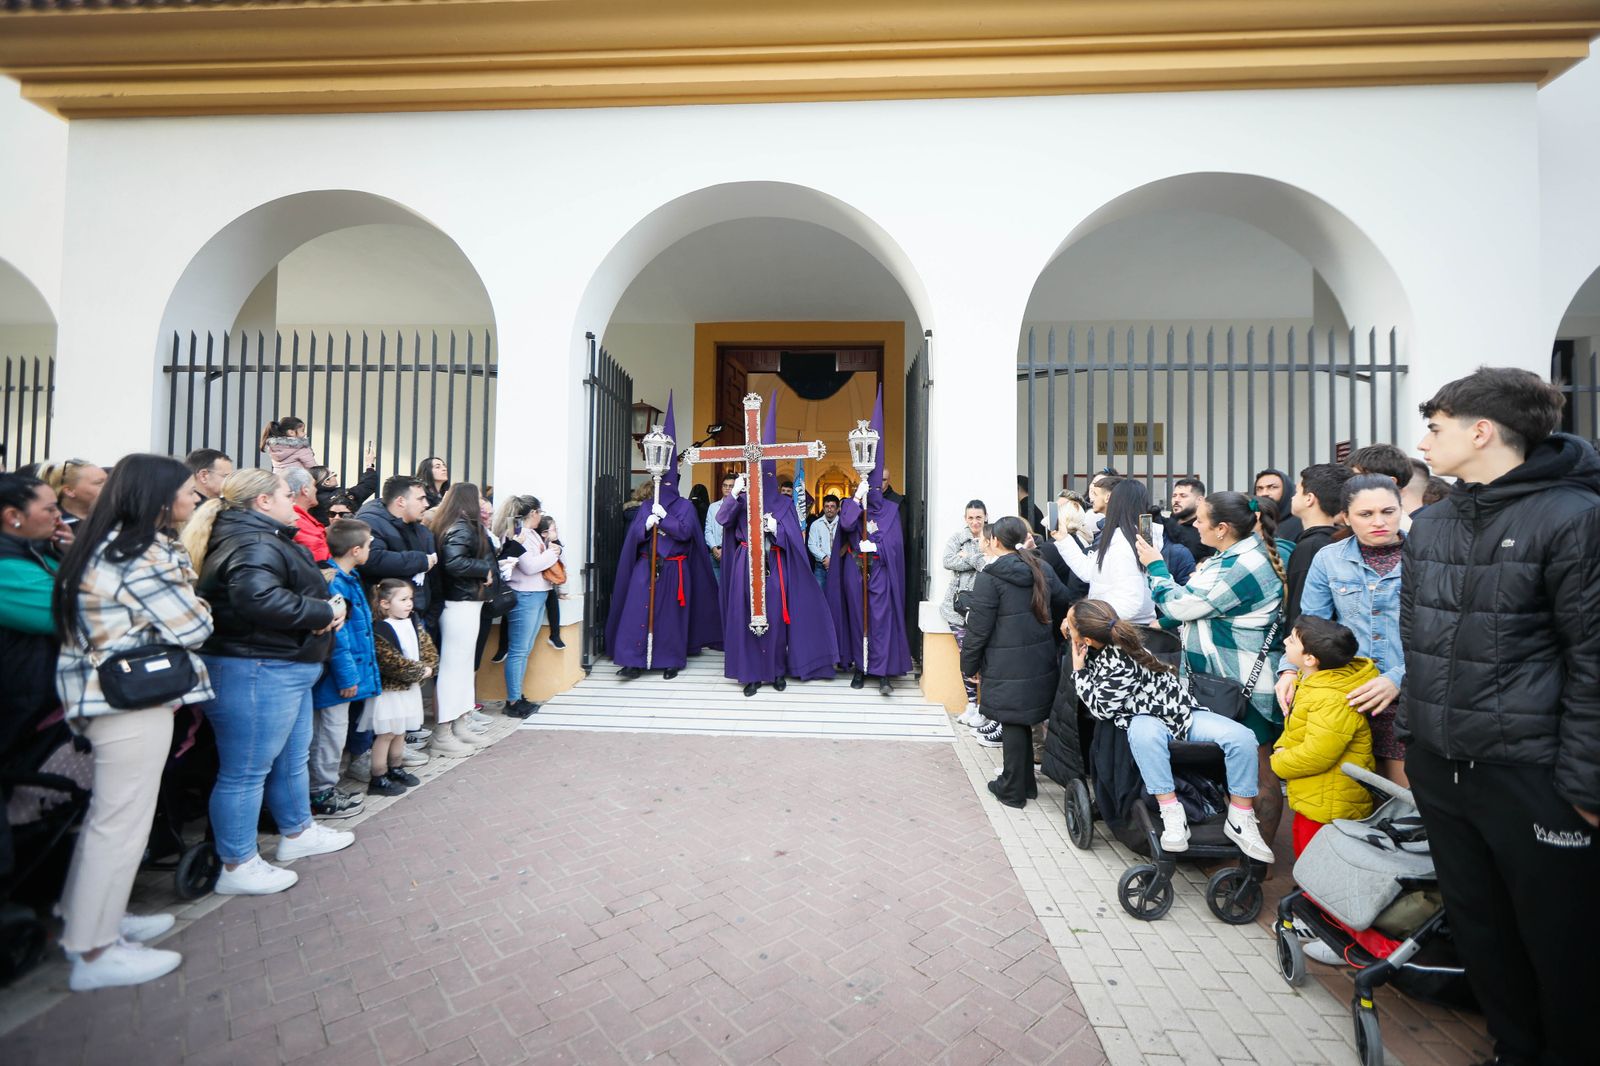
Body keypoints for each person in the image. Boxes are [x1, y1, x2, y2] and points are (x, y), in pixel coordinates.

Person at [1402, 367, 1600, 1065]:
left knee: (1562, 943)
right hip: (1444, 767)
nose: (1423, 442)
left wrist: (1584, 784)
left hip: (1534, 775)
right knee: (1481, 932)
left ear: (1480, 431)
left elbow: (1593, 657)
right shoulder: (1430, 521)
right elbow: (1416, 635)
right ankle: (1512, 1050)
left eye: (1435, 427)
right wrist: (1413, 737)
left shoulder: (1575, 517)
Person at [51, 455, 214, 991]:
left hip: (111, 700)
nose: (195, 500)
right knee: (120, 824)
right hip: (128, 701)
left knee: (111, 819)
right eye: (189, 491)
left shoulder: (114, 545)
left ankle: (96, 920)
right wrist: (197, 601)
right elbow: (193, 624)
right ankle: (95, 953)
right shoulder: (138, 554)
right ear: (159, 499)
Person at [182, 468, 353, 897]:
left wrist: (326, 606)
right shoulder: (252, 539)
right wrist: (320, 613)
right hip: (256, 667)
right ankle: (237, 862)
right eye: (283, 494)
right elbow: (256, 597)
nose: (291, 502)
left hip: (281, 665)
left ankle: (297, 833)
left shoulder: (263, 536)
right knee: (245, 772)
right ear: (262, 501)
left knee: (291, 758)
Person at [1067, 598, 1274, 861]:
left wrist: (1078, 669)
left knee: (1243, 738)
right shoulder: (1122, 642)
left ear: (1086, 637)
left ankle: (1241, 816)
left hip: (1178, 714)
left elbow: (1100, 709)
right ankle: (1171, 810)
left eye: (1070, 623)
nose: (1066, 626)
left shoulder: (1117, 659)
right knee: (1145, 734)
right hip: (1158, 717)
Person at [1137, 490, 1288, 844]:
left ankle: (1255, 863)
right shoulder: (1235, 556)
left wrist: (1156, 567)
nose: (1195, 526)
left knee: (1258, 773)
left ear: (1221, 528)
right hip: (1225, 681)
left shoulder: (1241, 565)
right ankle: (1238, 849)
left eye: (1201, 521)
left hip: (1244, 686)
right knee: (1240, 768)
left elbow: (1179, 605)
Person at [1278, 473, 1409, 785]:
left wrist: (1398, 678)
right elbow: (1312, 624)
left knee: (1406, 806)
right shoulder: (1330, 558)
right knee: (1351, 799)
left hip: (1411, 698)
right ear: (1346, 516)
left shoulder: (1427, 556)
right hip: (1347, 695)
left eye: (1388, 512)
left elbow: (1444, 635)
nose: (1379, 521)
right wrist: (1288, 670)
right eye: (1366, 514)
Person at [721, 395, 838, 696]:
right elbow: (723, 519)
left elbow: (794, 541)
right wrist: (733, 494)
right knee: (748, 619)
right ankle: (750, 674)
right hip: (745, 565)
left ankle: (775, 671)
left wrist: (778, 531)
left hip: (774, 568)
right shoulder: (744, 500)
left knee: (775, 620)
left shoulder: (785, 504)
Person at [606, 396, 722, 685]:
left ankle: (670, 659)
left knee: (670, 617)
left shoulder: (684, 505)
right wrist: (645, 524)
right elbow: (635, 537)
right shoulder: (647, 504)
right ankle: (633, 660)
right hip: (647, 566)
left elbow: (686, 533)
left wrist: (666, 521)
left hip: (675, 569)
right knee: (637, 611)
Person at [960, 516, 1066, 808]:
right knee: (1023, 718)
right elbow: (1063, 602)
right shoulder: (1040, 568)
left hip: (1005, 660)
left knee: (1012, 721)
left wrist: (968, 665)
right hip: (1040, 657)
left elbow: (978, 629)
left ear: (995, 541)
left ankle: (1012, 789)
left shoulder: (991, 577)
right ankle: (1024, 782)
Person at [831, 387, 912, 696]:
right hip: (855, 571)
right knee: (856, 619)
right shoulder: (855, 504)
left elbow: (895, 546)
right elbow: (848, 524)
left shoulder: (892, 509)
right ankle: (859, 667)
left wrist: (876, 547)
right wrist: (855, 497)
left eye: (879, 484)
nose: (877, 488)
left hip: (881, 574)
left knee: (881, 622)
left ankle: (883, 672)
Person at [307, 519, 381, 815]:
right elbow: (340, 637)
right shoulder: (336, 582)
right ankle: (320, 792)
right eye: (369, 545)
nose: (371, 549)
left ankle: (324, 786)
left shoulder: (348, 577)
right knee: (329, 733)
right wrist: (348, 676)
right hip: (337, 679)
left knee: (333, 732)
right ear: (355, 550)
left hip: (345, 674)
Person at [428, 482, 494, 754]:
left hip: (466, 602)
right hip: (460, 602)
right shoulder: (461, 527)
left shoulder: (461, 525)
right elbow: (453, 563)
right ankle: (443, 733)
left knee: (463, 668)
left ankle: (459, 725)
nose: (481, 501)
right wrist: (484, 570)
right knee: (455, 669)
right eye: (476, 497)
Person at [0, 474, 69, 735]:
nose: (58, 515)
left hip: (39, 699)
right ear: (12, 516)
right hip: (21, 708)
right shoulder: (7, 567)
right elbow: (75, 614)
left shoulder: (37, 550)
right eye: (49, 509)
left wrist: (70, 552)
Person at [1052, 479, 1159, 625]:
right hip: (1116, 626)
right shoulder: (1118, 536)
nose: (1091, 498)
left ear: (1113, 500)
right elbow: (1088, 571)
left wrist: (1088, 619)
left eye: (1095, 493)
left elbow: (1130, 602)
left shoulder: (1124, 542)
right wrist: (1063, 539)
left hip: (1123, 630)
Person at [369, 579, 438, 793]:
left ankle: (396, 767)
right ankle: (378, 775)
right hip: (391, 692)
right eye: (403, 599)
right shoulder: (380, 629)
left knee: (400, 731)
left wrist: (429, 665)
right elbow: (390, 662)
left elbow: (427, 646)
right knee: (387, 732)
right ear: (384, 603)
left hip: (409, 689)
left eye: (411, 599)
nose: (410, 604)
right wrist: (419, 671)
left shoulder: (413, 621)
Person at [1279, 463, 1352, 628]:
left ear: (1309, 498)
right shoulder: (1338, 540)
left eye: (1297, 492)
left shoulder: (1311, 547)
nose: (1292, 497)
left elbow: (1301, 611)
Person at [941, 499, 988, 724]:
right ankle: (972, 704)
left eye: (978, 517)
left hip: (982, 609)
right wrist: (974, 559)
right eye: (970, 518)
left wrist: (967, 557)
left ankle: (985, 708)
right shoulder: (958, 538)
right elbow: (947, 561)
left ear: (985, 517)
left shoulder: (991, 538)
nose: (974, 522)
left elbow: (987, 565)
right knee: (967, 657)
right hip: (957, 609)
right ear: (965, 518)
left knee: (986, 659)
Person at [308, 442, 378, 524]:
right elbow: (367, 485)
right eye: (333, 474)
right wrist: (370, 465)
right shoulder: (341, 496)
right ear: (327, 482)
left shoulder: (311, 499)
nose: (336, 476)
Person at [41, 459, 107, 532]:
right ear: (69, 491)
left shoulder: (112, 518)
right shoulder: (55, 526)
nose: (110, 486)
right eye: (99, 483)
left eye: (109, 481)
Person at [534, 513, 567, 649]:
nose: (557, 532)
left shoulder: (557, 546)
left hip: (549, 584)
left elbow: (563, 568)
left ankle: (555, 635)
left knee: (552, 600)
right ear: (544, 533)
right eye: (554, 530)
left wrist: (563, 591)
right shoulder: (536, 545)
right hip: (534, 584)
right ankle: (503, 645)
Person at [283, 467, 330, 562]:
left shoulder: (299, 518)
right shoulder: (296, 521)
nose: (316, 489)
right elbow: (321, 558)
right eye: (313, 485)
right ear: (305, 490)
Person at [1164, 476, 1214, 563]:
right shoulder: (1165, 524)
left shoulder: (1207, 528)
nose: (1176, 500)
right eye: (1174, 496)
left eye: (1183, 496)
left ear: (1199, 500)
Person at [1253, 467, 1302, 544]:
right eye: (1259, 489)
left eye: (1272, 487)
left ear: (1287, 491)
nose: (1264, 493)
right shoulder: (1253, 522)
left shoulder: (1301, 523)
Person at [704, 472, 736, 584]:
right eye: (725, 485)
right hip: (715, 554)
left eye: (731, 486)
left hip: (732, 554)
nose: (727, 488)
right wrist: (714, 548)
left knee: (731, 588)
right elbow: (708, 530)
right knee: (716, 588)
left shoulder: (739, 506)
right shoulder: (713, 507)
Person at [807, 493, 840, 588]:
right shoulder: (816, 524)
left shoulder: (842, 524)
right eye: (826, 506)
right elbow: (811, 545)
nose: (829, 509)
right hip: (820, 566)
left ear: (837, 509)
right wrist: (824, 558)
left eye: (832, 506)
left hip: (838, 565)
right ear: (823, 508)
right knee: (819, 594)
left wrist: (834, 559)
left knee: (837, 595)